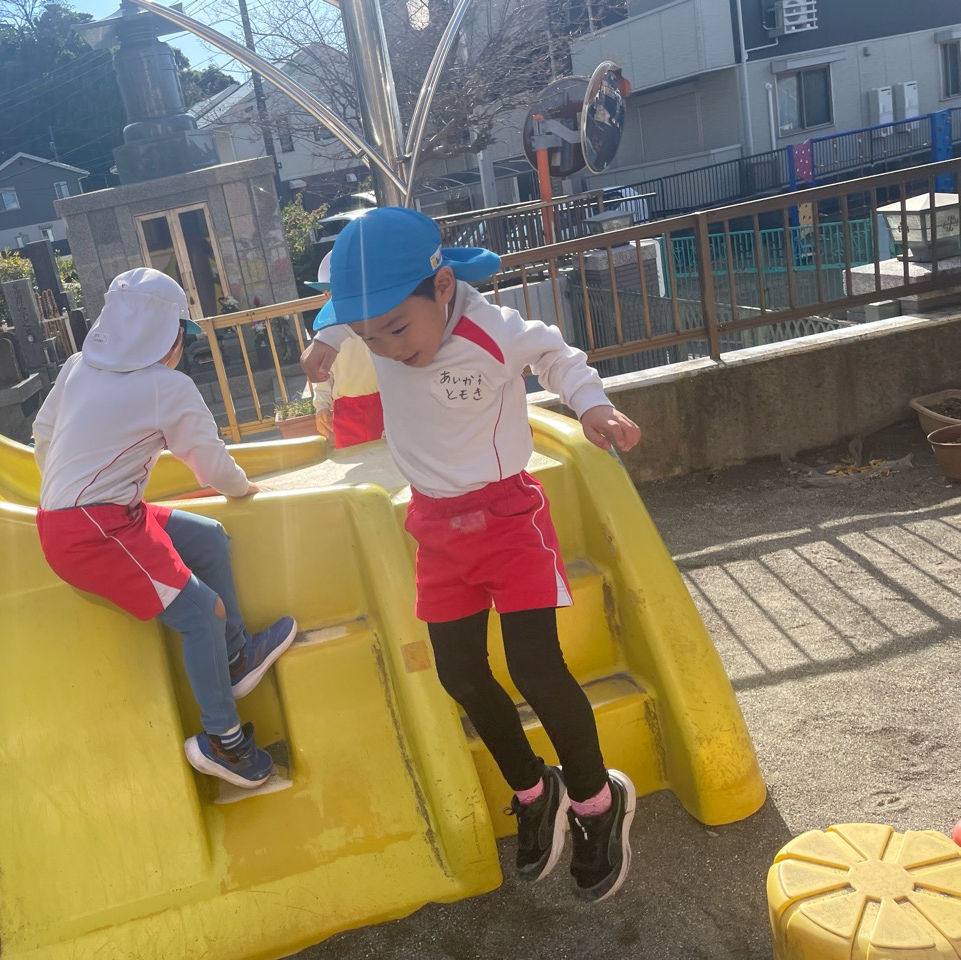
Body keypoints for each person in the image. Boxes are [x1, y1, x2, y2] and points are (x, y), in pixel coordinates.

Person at [301, 208, 641, 901]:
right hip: (434, 526)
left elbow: (557, 355)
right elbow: (346, 312)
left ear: (443, 287)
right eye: (369, 336)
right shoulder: (381, 321)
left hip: (508, 520)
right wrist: (328, 340)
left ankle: (596, 801)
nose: (387, 348)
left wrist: (592, 406)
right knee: (459, 672)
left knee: (534, 667)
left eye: (396, 329)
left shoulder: (492, 329)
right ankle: (533, 789)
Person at [33, 267, 298, 789]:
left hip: (84, 517)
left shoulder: (77, 366)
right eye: (185, 332)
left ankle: (235, 657)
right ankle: (225, 743)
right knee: (203, 613)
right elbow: (210, 464)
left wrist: (71, 490)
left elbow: (43, 436)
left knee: (208, 537)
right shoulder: (167, 386)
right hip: (96, 530)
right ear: (168, 333)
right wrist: (243, 488)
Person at [305, 253, 384, 448]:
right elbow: (323, 373)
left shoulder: (380, 318)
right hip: (346, 408)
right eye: (328, 294)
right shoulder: (327, 329)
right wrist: (322, 404)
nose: (332, 298)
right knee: (352, 454)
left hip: (385, 400)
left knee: (390, 455)